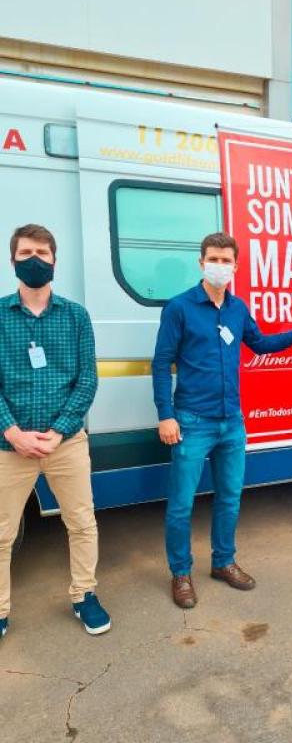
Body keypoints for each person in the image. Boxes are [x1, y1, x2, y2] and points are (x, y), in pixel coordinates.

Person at [152, 232, 292, 609]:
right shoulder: (179, 308)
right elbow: (161, 364)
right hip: (192, 421)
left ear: (236, 266)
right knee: (181, 504)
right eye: (213, 259)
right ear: (201, 263)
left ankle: (223, 562)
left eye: (226, 260)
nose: (219, 265)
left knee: (230, 496)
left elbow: (260, 344)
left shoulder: (237, 309)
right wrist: (166, 415)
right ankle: (180, 573)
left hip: (232, 422)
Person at [0, 224, 110, 640]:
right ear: (12, 261)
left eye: (42, 253)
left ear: (54, 261)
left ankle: (84, 595)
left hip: (66, 444)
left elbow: (87, 380)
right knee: (2, 534)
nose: (34, 260)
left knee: (82, 523)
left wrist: (60, 431)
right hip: (9, 446)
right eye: (26, 253)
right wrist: (12, 432)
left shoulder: (75, 315)